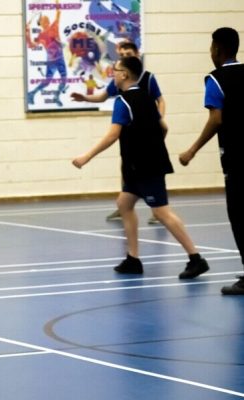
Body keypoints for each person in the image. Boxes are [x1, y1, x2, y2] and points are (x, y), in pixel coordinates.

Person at [72, 56, 209, 278]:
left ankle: (196, 258)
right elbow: (163, 128)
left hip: (145, 167)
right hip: (139, 166)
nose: (112, 73)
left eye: (115, 70)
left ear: (124, 74)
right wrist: (153, 145)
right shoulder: (146, 98)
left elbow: (112, 135)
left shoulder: (123, 102)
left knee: (161, 212)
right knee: (124, 203)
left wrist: (86, 156)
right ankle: (133, 259)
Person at [179, 27, 244, 294]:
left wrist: (192, 150)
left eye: (211, 47)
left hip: (237, 159)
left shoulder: (216, 80)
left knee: (239, 217)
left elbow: (216, 119)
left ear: (217, 49)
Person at [71, 41, 164, 224]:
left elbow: (161, 101)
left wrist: (158, 119)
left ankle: (158, 211)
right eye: (121, 55)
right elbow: (102, 96)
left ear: (137, 54)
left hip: (147, 134)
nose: (124, 57)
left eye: (128, 53)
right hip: (131, 136)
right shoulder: (120, 82)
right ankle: (125, 208)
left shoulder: (148, 79)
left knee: (151, 170)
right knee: (127, 167)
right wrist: (85, 98)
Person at [25, 0, 67, 107]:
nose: (47, 20)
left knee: (49, 81)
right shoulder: (47, 31)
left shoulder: (49, 30)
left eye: (46, 19)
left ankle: (32, 94)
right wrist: (27, 34)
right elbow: (31, 46)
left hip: (52, 59)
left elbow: (58, 12)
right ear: (43, 24)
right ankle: (55, 97)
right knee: (63, 78)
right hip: (56, 59)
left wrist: (27, 34)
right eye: (45, 20)